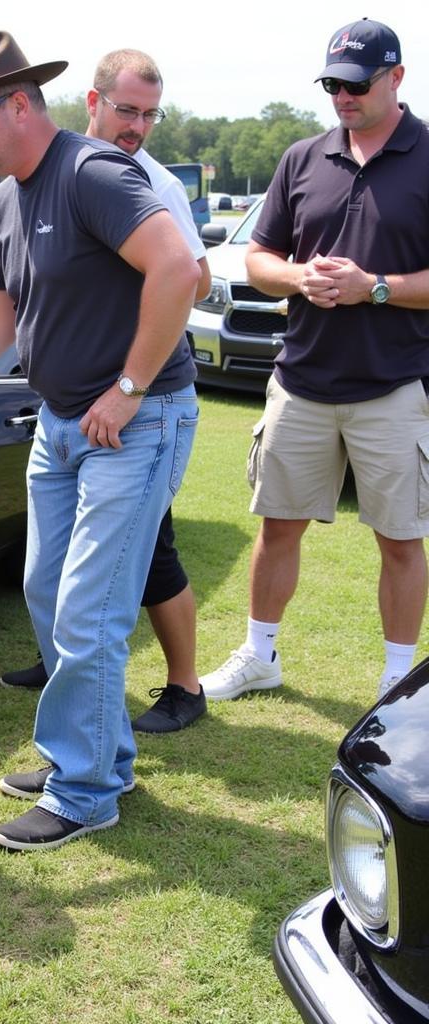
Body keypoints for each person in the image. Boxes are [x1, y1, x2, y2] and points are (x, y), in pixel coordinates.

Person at [0, 31, 200, 851]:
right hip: (61, 424)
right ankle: (98, 755)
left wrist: (129, 388)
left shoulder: (91, 172)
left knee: (89, 614)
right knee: (45, 595)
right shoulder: (2, 202)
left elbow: (180, 271)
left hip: (136, 423)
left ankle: (86, 791)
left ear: (19, 104)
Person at [200, 18, 429, 704]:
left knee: (400, 538)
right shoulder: (302, 158)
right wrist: (299, 278)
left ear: (396, 78)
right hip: (300, 379)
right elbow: (261, 256)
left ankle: (398, 682)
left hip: (393, 385)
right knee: (278, 529)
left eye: (356, 84)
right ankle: (260, 656)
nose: (342, 96)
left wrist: (376, 288)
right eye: (332, 84)